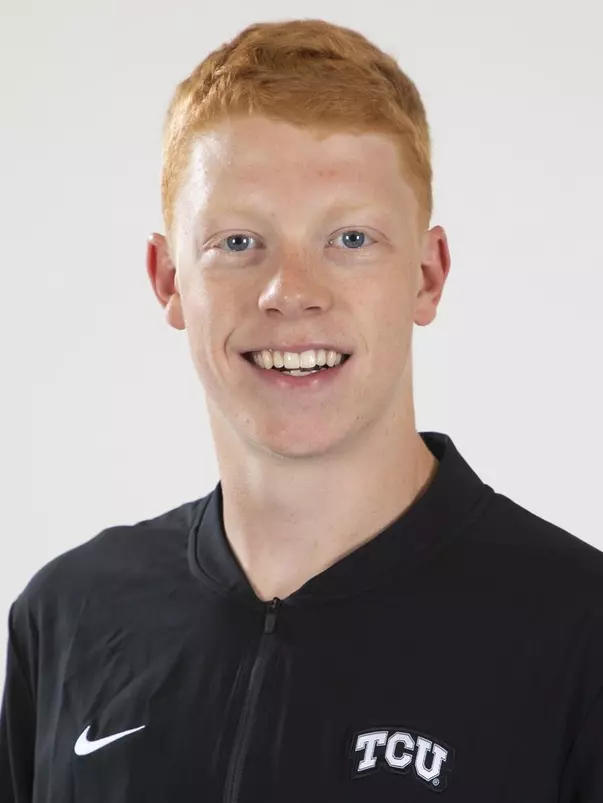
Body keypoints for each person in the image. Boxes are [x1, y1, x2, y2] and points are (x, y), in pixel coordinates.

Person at [1, 17, 601, 803]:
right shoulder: (68, 619)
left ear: (425, 276)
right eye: (238, 242)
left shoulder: (577, 632)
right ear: (168, 279)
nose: (290, 291)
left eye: (349, 237)